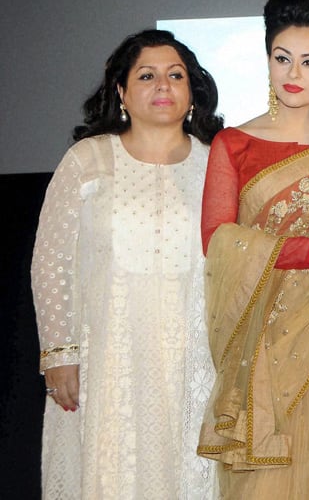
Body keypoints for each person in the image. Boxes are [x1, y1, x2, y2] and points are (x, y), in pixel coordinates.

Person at [196, 0, 309, 499]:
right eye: (283, 59)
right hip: (258, 330)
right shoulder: (234, 143)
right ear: (268, 60)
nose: (294, 74)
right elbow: (219, 238)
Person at [31, 29, 224, 498]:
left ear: (192, 91)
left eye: (175, 75)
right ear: (121, 91)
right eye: (147, 75)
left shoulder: (217, 164)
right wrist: (59, 355)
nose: (163, 85)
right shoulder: (87, 160)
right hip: (107, 359)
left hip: (193, 358)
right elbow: (50, 260)